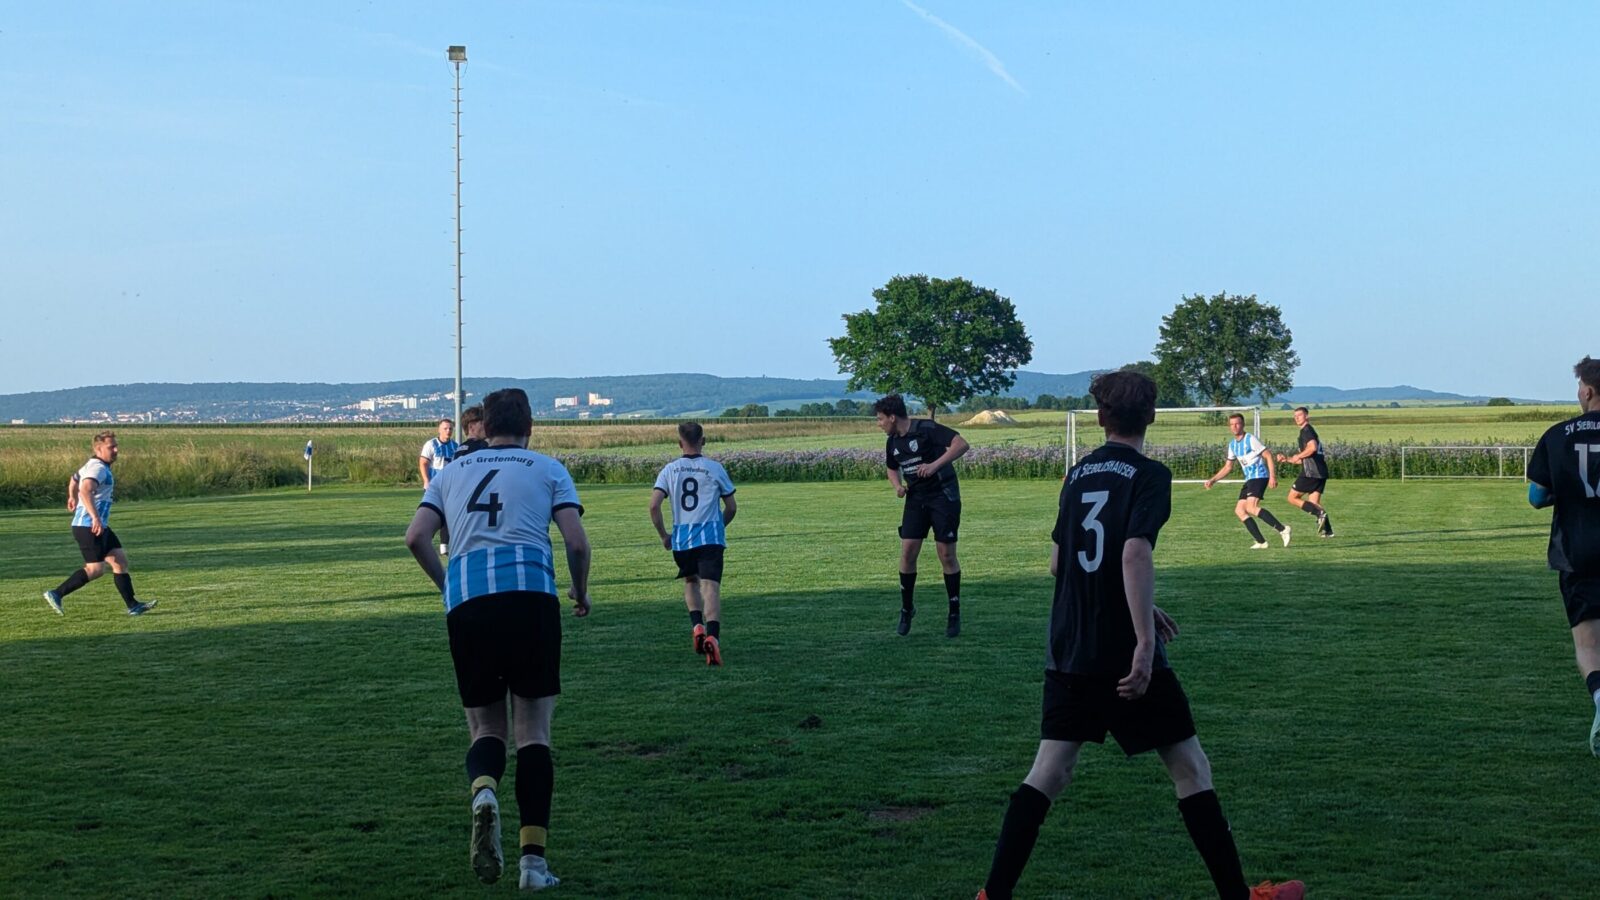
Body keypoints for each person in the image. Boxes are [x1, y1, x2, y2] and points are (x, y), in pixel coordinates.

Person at [976, 371, 1303, 900]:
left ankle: (992, 894)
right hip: (1122, 651)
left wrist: (1142, 600)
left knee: (1049, 772)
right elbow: (1132, 552)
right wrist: (1145, 639)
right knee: (1190, 769)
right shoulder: (1149, 474)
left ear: (1100, 417)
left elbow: (1060, 563)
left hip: (1070, 645)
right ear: (1151, 416)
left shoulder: (1076, 473)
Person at [404, 388, 592, 889]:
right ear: (530, 426)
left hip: (470, 604)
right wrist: (580, 590)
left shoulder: (450, 473)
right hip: (531, 599)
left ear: (483, 427)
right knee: (533, 733)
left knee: (486, 728)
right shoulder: (547, 468)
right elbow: (576, 542)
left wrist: (449, 586)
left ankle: (484, 789)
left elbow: (415, 537)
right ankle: (533, 865)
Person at [1527, 356, 1600, 757]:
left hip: (1576, 550)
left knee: (1588, 643)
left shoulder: (1557, 435)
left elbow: (1536, 496)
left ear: (1587, 391)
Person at [876, 394, 970, 637]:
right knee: (908, 552)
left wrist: (934, 465)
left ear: (892, 417)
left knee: (946, 554)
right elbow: (891, 468)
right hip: (916, 499)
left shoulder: (926, 428)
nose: (879, 424)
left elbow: (961, 444)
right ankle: (907, 609)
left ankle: (954, 611)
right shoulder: (892, 441)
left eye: (880, 419)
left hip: (943, 496)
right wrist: (897, 486)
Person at [649, 422, 738, 666]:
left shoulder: (669, 470)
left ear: (680, 443)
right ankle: (713, 637)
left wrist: (664, 535)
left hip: (682, 541)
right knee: (710, 587)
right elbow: (731, 507)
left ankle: (697, 625)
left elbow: (654, 506)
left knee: (690, 581)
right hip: (710, 539)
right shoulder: (714, 468)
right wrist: (719, 526)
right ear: (703, 441)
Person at [42, 431, 158, 616]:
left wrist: (71, 496)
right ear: (98, 449)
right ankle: (56, 593)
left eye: (116, 446)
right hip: (88, 526)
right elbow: (85, 490)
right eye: (111, 447)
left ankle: (133, 605)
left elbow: (74, 479)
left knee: (119, 561)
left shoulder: (92, 464)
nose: (116, 450)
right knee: (95, 569)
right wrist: (95, 517)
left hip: (97, 525)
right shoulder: (98, 468)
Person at [1203, 414, 1290, 549]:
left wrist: (1272, 476)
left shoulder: (1250, 439)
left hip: (1259, 476)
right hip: (1249, 479)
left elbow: (1268, 455)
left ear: (1243, 425)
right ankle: (1261, 542)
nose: (1234, 427)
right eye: (1232, 424)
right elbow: (1228, 467)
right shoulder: (1232, 445)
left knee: (1251, 507)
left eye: (1237, 424)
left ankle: (1283, 529)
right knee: (1240, 510)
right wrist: (1213, 480)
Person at [1275, 407, 1334, 537]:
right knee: (1314, 503)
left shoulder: (1306, 431)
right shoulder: (1308, 431)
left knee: (1292, 497)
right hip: (1320, 472)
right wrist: (1287, 459)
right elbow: (1304, 458)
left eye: (1299, 415)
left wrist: (1299, 455)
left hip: (1311, 472)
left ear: (1306, 416)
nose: (1296, 418)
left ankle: (1319, 514)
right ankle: (1328, 531)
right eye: (1295, 416)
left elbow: (1312, 448)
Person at [420, 418, 460, 554]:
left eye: (450, 429)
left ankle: (444, 545)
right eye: (445, 428)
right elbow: (423, 463)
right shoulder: (431, 444)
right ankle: (425, 540)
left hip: (450, 487)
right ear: (439, 429)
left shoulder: (455, 446)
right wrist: (426, 480)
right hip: (434, 487)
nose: (448, 431)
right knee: (431, 514)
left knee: (448, 515)